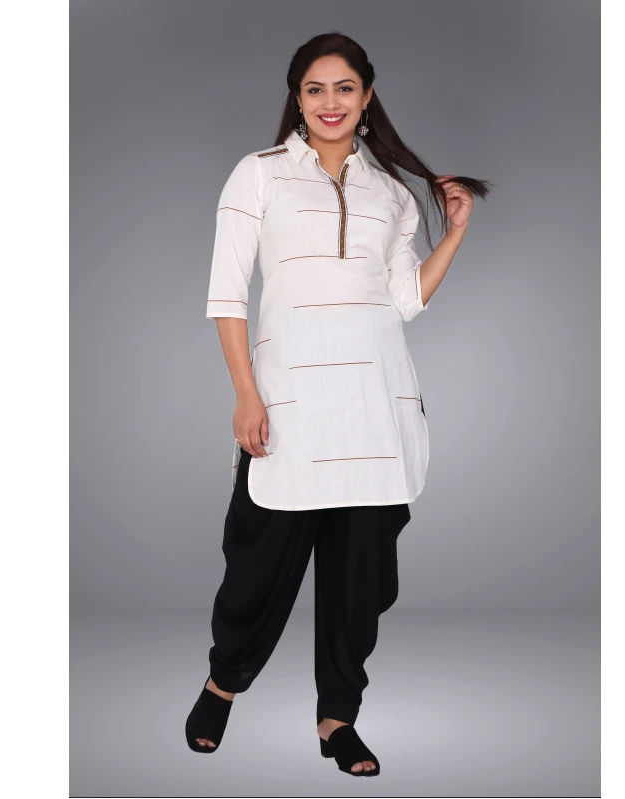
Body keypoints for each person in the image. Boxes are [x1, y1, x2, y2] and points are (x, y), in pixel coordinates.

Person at [185, 31, 491, 777]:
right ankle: (223, 684)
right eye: (315, 89)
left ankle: (338, 719)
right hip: (290, 404)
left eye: (345, 88)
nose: (331, 102)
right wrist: (246, 394)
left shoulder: (391, 194)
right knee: (257, 567)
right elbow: (227, 293)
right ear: (297, 98)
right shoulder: (259, 174)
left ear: (367, 95)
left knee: (360, 580)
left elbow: (403, 299)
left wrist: (455, 232)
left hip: (374, 407)